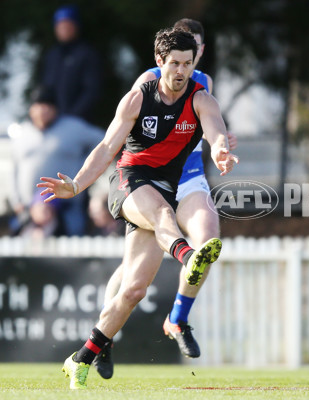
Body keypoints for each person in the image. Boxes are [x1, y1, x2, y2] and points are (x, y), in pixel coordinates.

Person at [38, 27, 238, 390]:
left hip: (165, 188)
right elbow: (106, 147)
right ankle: (188, 255)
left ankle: (80, 357)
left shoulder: (202, 98)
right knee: (163, 215)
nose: (181, 71)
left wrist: (221, 149)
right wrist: (78, 185)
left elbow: (215, 131)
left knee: (133, 291)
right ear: (159, 62)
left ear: (195, 63)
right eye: (174, 63)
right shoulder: (138, 97)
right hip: (129, 181)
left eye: (188, 64)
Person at [92, 18, 237, 379]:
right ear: (166, 55)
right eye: (186, 51)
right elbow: (124, 136)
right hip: (148, 179)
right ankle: (104, 336)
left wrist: (220, 147)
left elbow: (210, 128)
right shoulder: (148, 81)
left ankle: (178, 318)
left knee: (208, 243)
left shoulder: (203, 85)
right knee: (131, 277)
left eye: (198, 50)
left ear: (200, 52)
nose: (192, 58)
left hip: (187, 179)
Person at [8, 89, 104, 236]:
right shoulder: (21, 133)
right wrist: (16, 201)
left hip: (68, 206)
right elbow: (13, 168)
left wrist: (86, 164)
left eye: (47, 106)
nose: (42, 110)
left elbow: (105, 141)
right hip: (29, 208)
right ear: (31, 109)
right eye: (38, 105)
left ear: (55, 109)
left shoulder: (74, 128)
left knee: (72, 245)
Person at [41, 5, 103, 122]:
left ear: (76, 26)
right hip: (54, 121)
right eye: (60, 25)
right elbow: (47, 88)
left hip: (80, 121)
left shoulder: (87, 54)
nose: (64, 28)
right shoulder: (52, 55)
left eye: (68, 24)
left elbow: (92, 90)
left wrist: (72, 115)